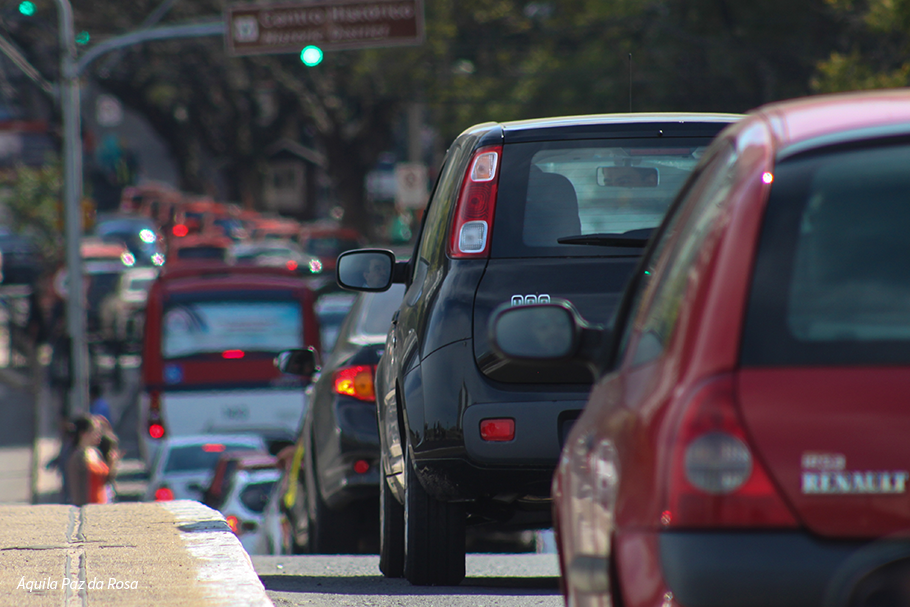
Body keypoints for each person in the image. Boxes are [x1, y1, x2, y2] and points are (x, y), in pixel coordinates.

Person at [65, 414, 117, 505]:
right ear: (83, 434)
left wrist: (112, 464)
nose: (98, 435)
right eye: (95, 432)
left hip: (102, 502)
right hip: (87, 505)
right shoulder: (78, 456)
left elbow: (106, 479)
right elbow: (77, 487)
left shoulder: (96, 452)